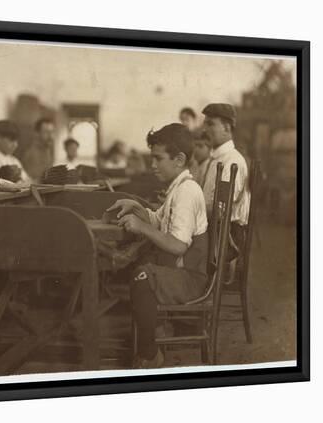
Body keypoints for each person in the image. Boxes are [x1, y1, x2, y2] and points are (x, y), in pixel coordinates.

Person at [106, 123, 208, 368]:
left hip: (191, 277)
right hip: (180, 269)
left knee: (142, 276)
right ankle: (151, 331)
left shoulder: (187, 191)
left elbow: (178, 246)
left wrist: (141, 227)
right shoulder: (178, 187)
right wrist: (137, 208)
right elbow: (159, 220)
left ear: (179, 159)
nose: (152, 165)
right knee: (140, 266)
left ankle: (150, 353)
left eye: (157, 158)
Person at [201, 103, 250, 252]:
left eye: (210, 124)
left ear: (227, 127)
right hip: (214, 229)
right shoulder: (217, 158)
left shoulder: (231, 162)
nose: (205, 129)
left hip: (226, 238)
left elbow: (220, 211)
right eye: (205, 124)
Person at [22, 118, 55, 182]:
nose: (51, 136)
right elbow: (33, 181)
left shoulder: (48, 149)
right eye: (46, 132)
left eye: (52, 132)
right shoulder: (30, 152)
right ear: (37, 133)